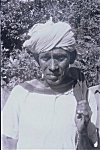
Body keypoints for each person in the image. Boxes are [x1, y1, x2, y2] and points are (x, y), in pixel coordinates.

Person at [2, 20, 99, 150]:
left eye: (60, 58)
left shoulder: (83, 98)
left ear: (72, 58)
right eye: (46, 58)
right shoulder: (21, 94)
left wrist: (82, 132)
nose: (53, 67)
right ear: (37, 60)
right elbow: (8, 142)